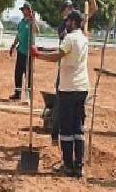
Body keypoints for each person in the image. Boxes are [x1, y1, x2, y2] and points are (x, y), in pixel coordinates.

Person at [32, 10, 89, 178]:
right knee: (78, 127)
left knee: (66, 129)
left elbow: (58, 55)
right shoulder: (84, 38)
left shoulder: (70, 38)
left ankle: (68, 165)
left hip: (68, 89)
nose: (66, 23)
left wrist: (38, 55)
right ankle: (79, 165)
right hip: (82, 87)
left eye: (68, 21)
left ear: (73, 22)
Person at [51, 0, 99, 144]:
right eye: (67, 8)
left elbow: (93, 11)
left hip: (77, 71)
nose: (70, 10)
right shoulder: (63, 27)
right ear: (63, 12)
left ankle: (72, 133)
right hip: (65, 69)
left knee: (75, 110)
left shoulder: (76, 23)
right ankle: (54, 134)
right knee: (59, 103)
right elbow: (66, 43)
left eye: (71, 8)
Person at [8, 2, 38, 101]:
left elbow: (36, 31)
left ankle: (28, 95)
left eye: (25, 10)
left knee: (28, 74)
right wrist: (13, 45)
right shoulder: (21, 22)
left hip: (29, 52)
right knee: (18, 72)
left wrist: (33, 20)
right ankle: (17, 93)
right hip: (21, 51)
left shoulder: (31, 22)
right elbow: (18, 35)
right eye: (23, 10)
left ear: (29, 11)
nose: (23, 12)